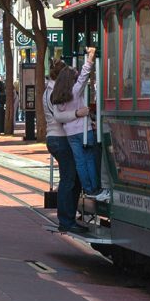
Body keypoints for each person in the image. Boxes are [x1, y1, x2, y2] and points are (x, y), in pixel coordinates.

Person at [51, 48, 109, 201]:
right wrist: (90, 57)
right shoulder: (75, 91)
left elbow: (59, 116)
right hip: (83, 130)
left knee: (80, 162)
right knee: (89, 159)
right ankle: (95, 189)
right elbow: (84, 75)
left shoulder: (57, 96)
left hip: (70, 133)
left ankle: (88, 189)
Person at [44, 59, 92, 232]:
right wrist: (78, 113)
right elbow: (59, 116)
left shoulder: (50, 90)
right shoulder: (55, 92)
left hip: (56, 138)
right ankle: (66, 220)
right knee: (69, 178)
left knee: (71, 178)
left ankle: (69, 217)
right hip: (60, 139)